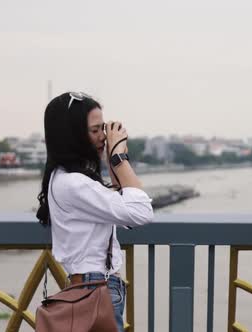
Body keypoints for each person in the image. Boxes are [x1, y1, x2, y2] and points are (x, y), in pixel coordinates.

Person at [36, 92, 154, 332]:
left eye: (104, 128)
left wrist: (111, 160)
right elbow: (141, 211)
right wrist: (119, 157)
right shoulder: (74, 184)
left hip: (88, 287)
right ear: (73, 136)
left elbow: (124, 204)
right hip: (96, 290)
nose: (103, 137)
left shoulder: (63, 178)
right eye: (95, 130)